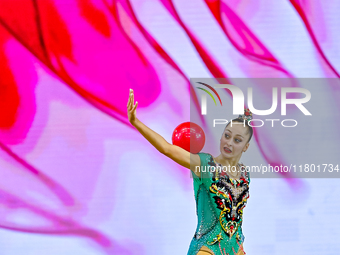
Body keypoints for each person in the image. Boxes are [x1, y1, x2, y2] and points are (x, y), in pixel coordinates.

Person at [127, 88, 252, 255]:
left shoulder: (244, 173)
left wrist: (240, 246)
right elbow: (167, 149)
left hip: (235, 248)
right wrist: (136, 122)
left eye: (237, 140)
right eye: (227, 135)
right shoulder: (205, 164)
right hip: (208, 247)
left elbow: (237, 216)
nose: (229, 143)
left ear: (246, 147)